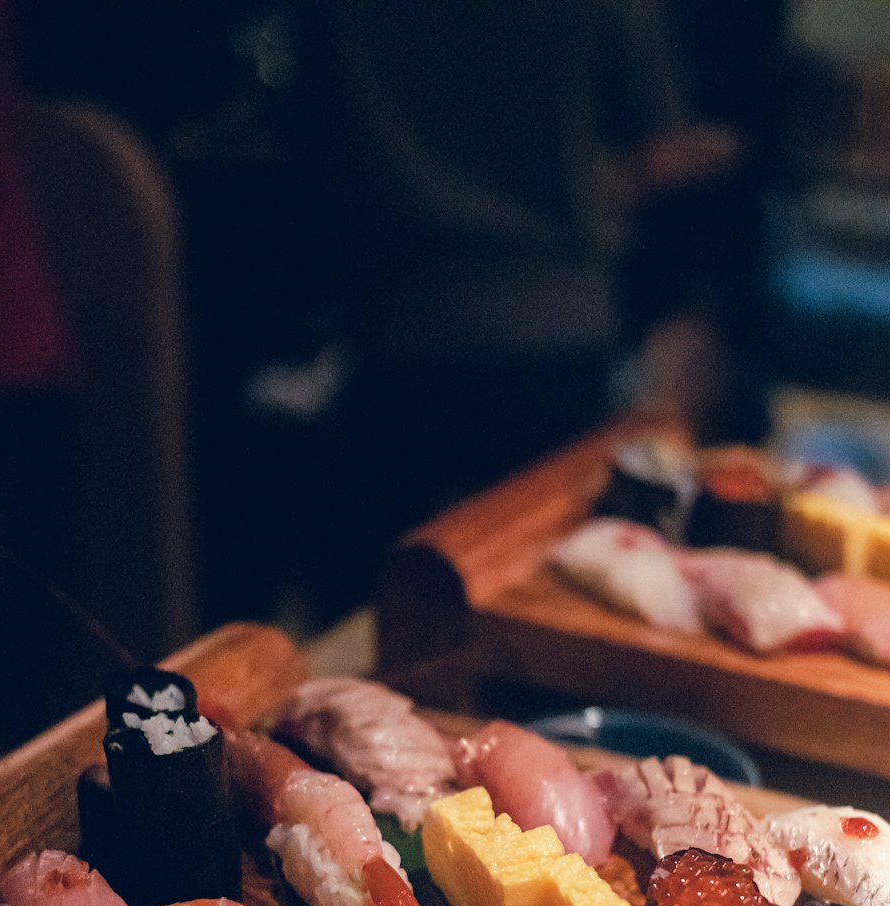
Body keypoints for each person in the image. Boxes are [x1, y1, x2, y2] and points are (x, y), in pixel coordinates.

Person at [283, 0, 738, 608]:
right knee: (544, 607)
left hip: (392, 320)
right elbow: (659, 148)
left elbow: (304, 130)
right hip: (553, 325)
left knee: (378, 616)